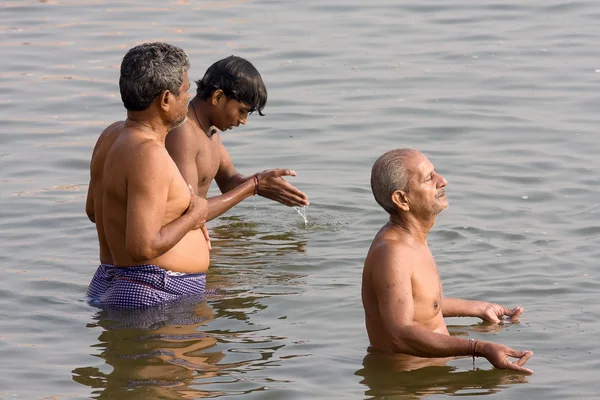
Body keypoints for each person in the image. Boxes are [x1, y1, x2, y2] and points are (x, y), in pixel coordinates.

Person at [362, 148, 534, 373]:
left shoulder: (410, 239)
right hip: (411, 384)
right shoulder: (393, 253)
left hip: (430, 376)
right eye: (428, 178)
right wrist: (478, 348)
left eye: (435, 173)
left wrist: (480, 308)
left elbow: (420, 304)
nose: (442, 181)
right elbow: (400, 334)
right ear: (402, 199)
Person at [85, 42, 211, 309]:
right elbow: (143, 247)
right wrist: (194, 217)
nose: (188, 99)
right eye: (185, 91)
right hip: (154, 290)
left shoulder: (111, 135)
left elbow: (94, 211)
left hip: (120, 282)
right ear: (166, 99)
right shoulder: (149, 153)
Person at [165, 55, 309, 222]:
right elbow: (188, 212)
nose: (243, 121)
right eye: (242, 111)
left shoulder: (209, 130)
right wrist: (253, 185)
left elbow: (229, 182)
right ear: (217, 97)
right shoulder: (184, 131)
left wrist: (264, 183)